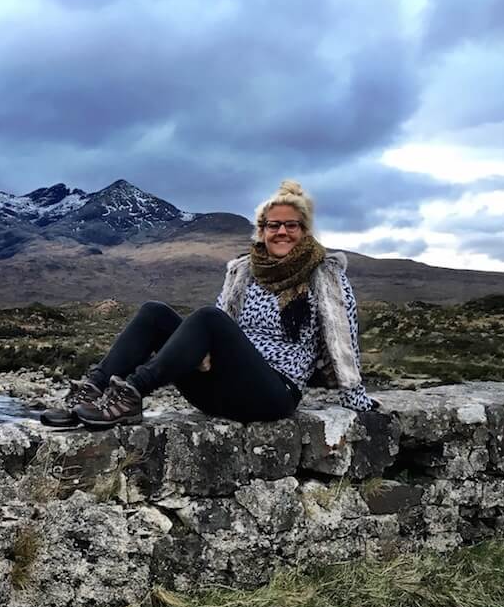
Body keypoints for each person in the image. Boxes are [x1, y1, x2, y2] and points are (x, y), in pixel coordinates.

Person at [40, 179, 375, 429]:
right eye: (274, 225)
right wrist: (196, 353)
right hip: (222, 389)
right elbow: (219, 325)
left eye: (292, 225)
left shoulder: (324, 274)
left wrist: (356, 400)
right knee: (154, 312)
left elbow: (342, 342)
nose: (282, 232)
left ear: (305, 230)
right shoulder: (244, 271)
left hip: (272, 394)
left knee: (208, 318)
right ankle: (92, 391)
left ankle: (132, 394)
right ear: (262, 230)